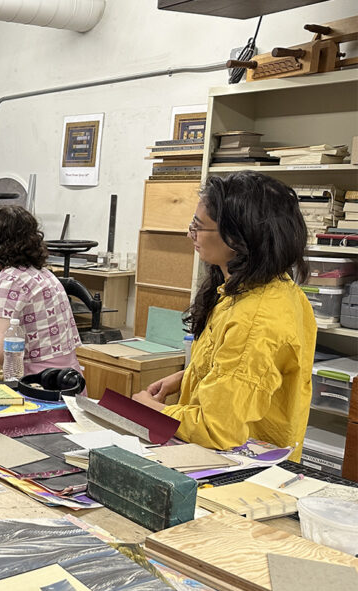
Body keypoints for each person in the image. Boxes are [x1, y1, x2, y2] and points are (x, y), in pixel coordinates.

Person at [133, 172, 316, 459]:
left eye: (198, 226)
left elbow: (216, 429)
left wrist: (149, 410)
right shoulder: (270, 287)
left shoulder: (255, 318)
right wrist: (185, 377)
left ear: (237, 237)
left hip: (242, 465)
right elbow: (244, 370)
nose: (190, 235)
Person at [0, 205, 81, 373]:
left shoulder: (7, 281)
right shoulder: (42, 273)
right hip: (69, 379)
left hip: (37, 383)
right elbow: (14, 330)